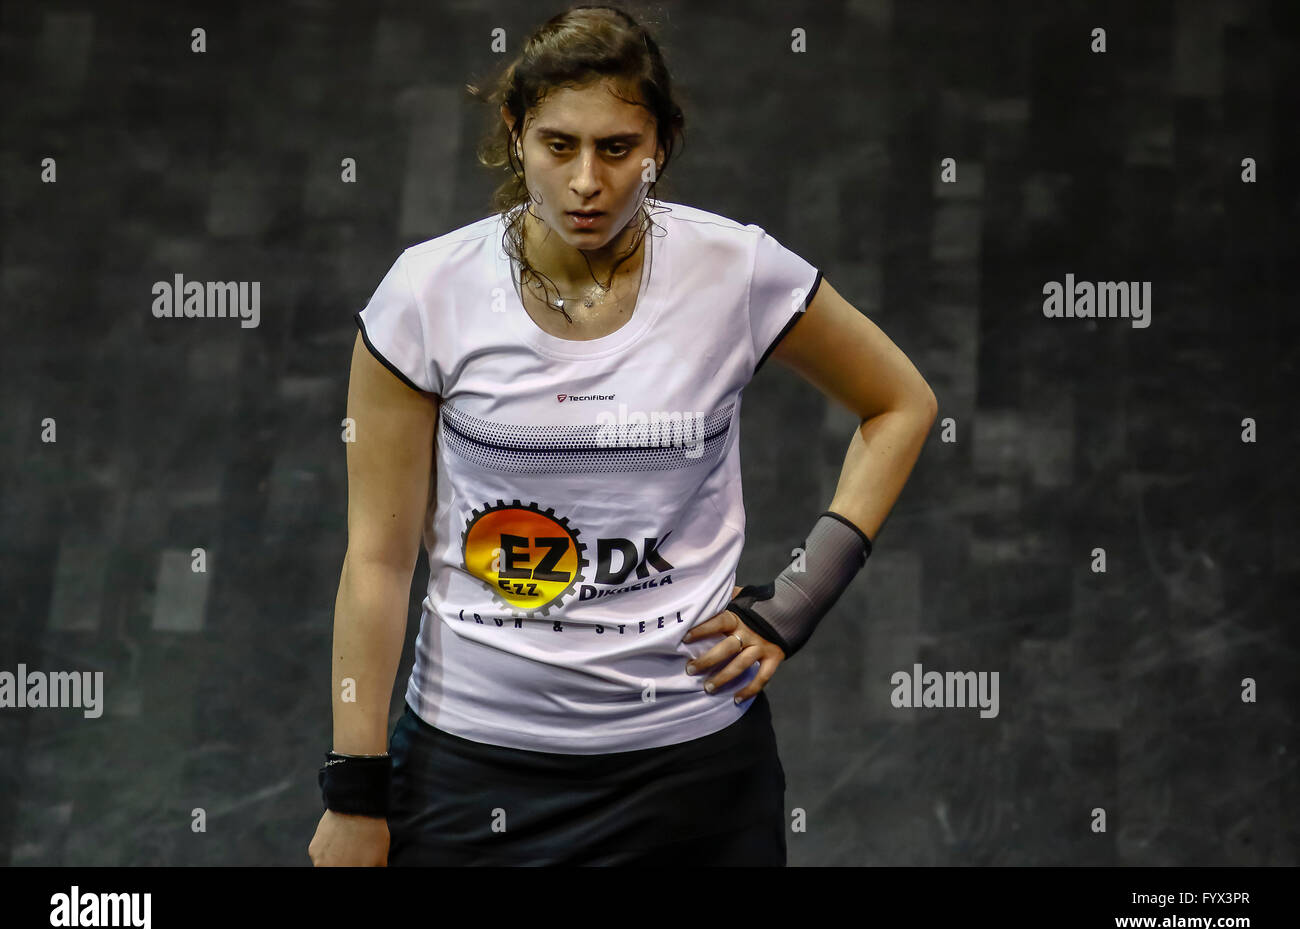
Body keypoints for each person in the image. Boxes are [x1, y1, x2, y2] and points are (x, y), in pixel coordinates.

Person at [308, 3, 937, 867]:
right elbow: (377, 562)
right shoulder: (425, 296)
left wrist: (794, 604)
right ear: (515, 134)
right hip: (472, 772)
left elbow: (901, 404)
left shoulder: (736, 272)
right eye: (557, 145)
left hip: (693, 772)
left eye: (616, 148)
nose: (586, 183)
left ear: (660, 147)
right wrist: (355, 794)